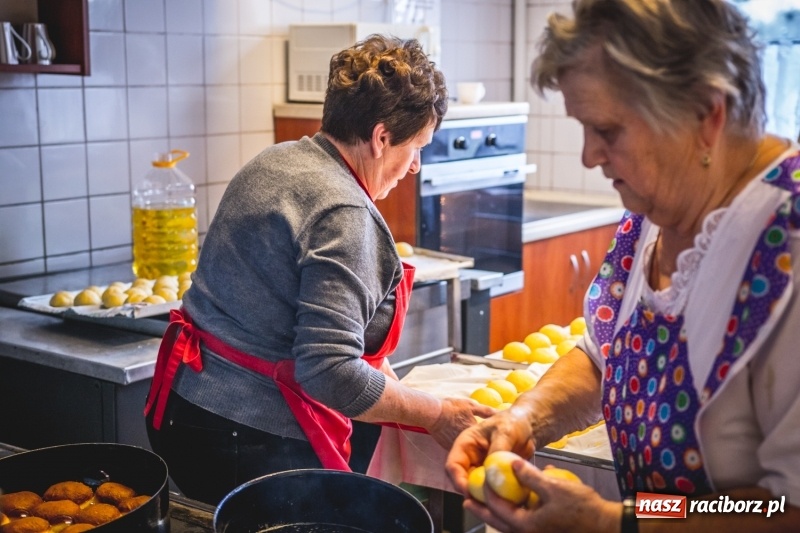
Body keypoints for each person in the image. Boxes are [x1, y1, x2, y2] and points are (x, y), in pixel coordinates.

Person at [445, 1, 800, 531]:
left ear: (707, 114)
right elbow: (606, 350)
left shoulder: (784, 250)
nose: (589, 155)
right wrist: (525, 417)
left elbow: (782, 509)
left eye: (607, 130)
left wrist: (621, 523)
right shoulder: (656, 213)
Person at [144, 34, 494, 505]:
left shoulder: (274, 161)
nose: (414, 167)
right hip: (248, 441)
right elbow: (329, 372)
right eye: (416, 148)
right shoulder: (343, 212)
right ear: (381, 137)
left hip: (182, 415)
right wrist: (434, 414)